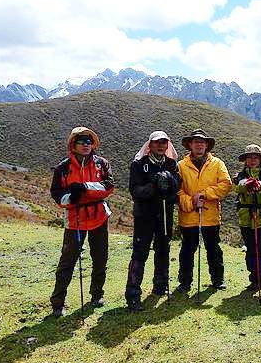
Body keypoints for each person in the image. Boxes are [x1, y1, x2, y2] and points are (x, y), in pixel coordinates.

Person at [49, 127, 115, 317]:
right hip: (75, 218)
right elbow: (56, 194)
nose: (86, 145)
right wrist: (71, 197)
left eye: (89, 141)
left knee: (100, 258)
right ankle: (58, 303)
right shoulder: (63, 168)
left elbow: (109, 186)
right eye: (82, 142)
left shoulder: (102, 164)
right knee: (67, 261)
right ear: (73, 145)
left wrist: (85, 187)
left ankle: (97, 295)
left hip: (99, 216)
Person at [125, 131, 181, 311]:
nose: (161, 146)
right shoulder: (139, 164)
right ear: (150, 145)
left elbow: (177, 187)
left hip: (165, 214)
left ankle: (161, 285)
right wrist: (153, 186)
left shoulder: (172, 164)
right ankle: (133, 294)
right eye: (157, 143)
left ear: (167, 145)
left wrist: (169, 181)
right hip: (144, 216)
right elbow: (135, 191)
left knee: (163, 250)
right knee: (140, 253)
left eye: (164, 143)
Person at [176, 129, 232, 292]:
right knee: (187, 250)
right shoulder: (181, 166)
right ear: (190, 145)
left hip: (210, 215)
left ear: (207, 145)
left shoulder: (217, 163)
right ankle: (185, 282)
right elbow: (177, 190)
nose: (199, 144)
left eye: (202, 142)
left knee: (213, 248)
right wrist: (191, 202)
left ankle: (217, 279)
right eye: (196, 142)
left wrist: (205, 195)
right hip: (188, 216)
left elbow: (225, 185)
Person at [233, 144, 261, 299]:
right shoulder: (239, 176)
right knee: (251, 250)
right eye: (249, 157)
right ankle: (255, 280)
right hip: (246, 219)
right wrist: (247, 184)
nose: (252, 160)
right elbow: (238, 187)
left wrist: (258, 185)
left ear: (260, 159)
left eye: (255, 157)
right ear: (245, 160)